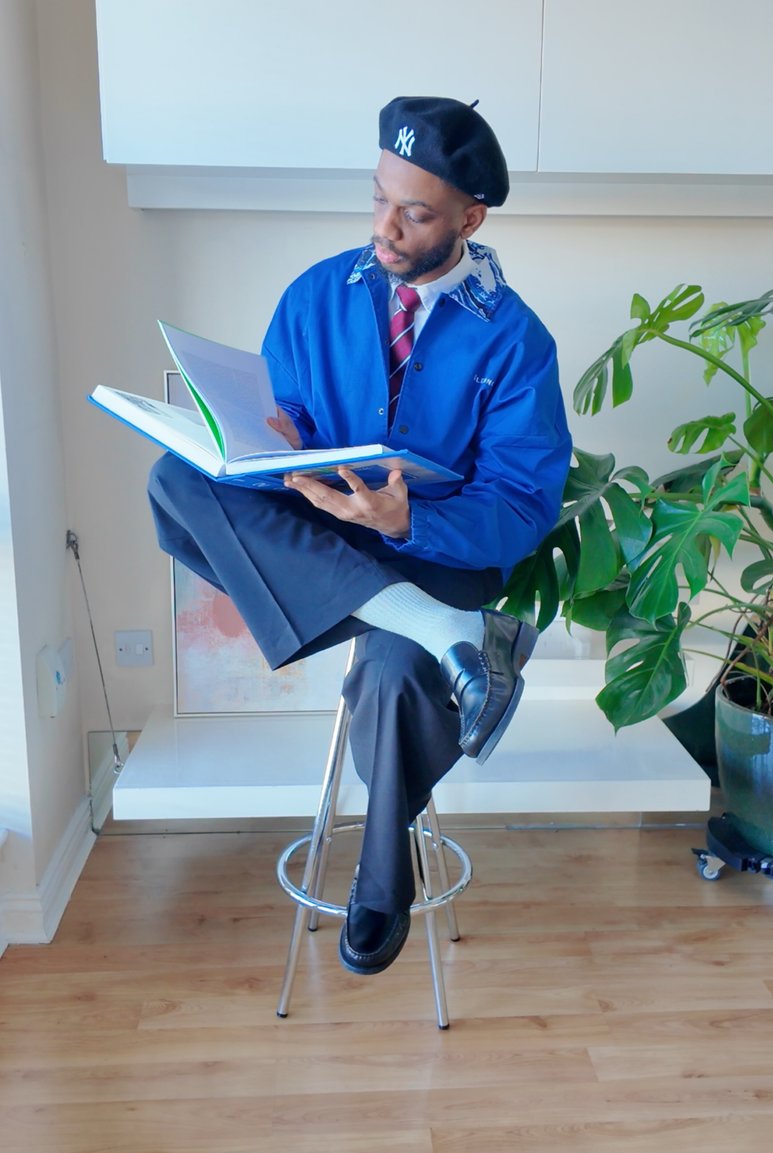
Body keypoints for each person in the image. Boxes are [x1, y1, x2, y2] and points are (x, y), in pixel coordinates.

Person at [147, 96, 572, 977]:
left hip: (442, 557)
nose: (385, 225)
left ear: (469, 217)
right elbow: (284, 420)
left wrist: (411, 516)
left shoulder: (518, 342)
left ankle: (383, 881)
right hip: (324, 544)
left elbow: (524, 504)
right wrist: (280, 447)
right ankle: (448, 637)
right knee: (173, 479)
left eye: (414, 212)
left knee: (390, 672)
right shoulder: (315, 295)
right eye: (378, 197)